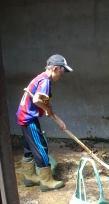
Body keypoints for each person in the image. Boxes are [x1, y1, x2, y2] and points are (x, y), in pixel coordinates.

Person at [16, 54, 73, 192]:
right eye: (62, 71)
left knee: (29, 148)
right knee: (40, 147)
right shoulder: (45, 81)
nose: (62, 75)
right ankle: (46, 181)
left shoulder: (39, 78)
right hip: (30, 119)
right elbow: (37, 100)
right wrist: (47, 109)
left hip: (24, 117)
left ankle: (29, 177)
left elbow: (44, 103)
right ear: (54, 69)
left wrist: (57, 118)